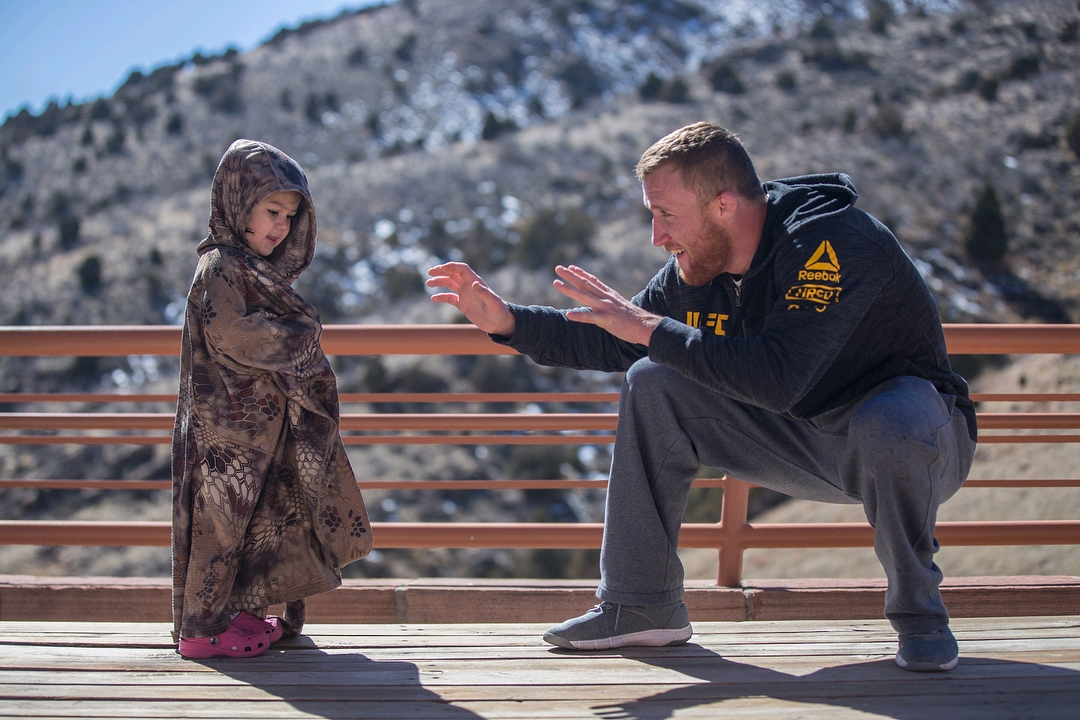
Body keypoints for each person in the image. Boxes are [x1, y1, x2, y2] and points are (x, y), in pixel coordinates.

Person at [427, 122, 977, 673]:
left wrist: (648, 328)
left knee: (889, 417)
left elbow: (781, 377)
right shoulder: (697, 270)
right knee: (652, 380)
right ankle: (641, 605)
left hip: (919, 442)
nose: (656, 236)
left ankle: (921, 616)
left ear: (724, 206)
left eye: (667, 216)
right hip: (810, 440)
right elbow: (618, 337)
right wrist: (508, 322)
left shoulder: (830, 243)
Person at [172, 139, 373, 659]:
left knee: (266, 519)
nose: (280, 226)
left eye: (290, 216)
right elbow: (239, 336)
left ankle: (240, 612)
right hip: (227, 436)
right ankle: (201, 629)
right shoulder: (219, 269)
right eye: (271, 211)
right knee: (221, 526)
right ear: (239, 204)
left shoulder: (254, 272)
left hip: (263, 429)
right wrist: (301, 331)